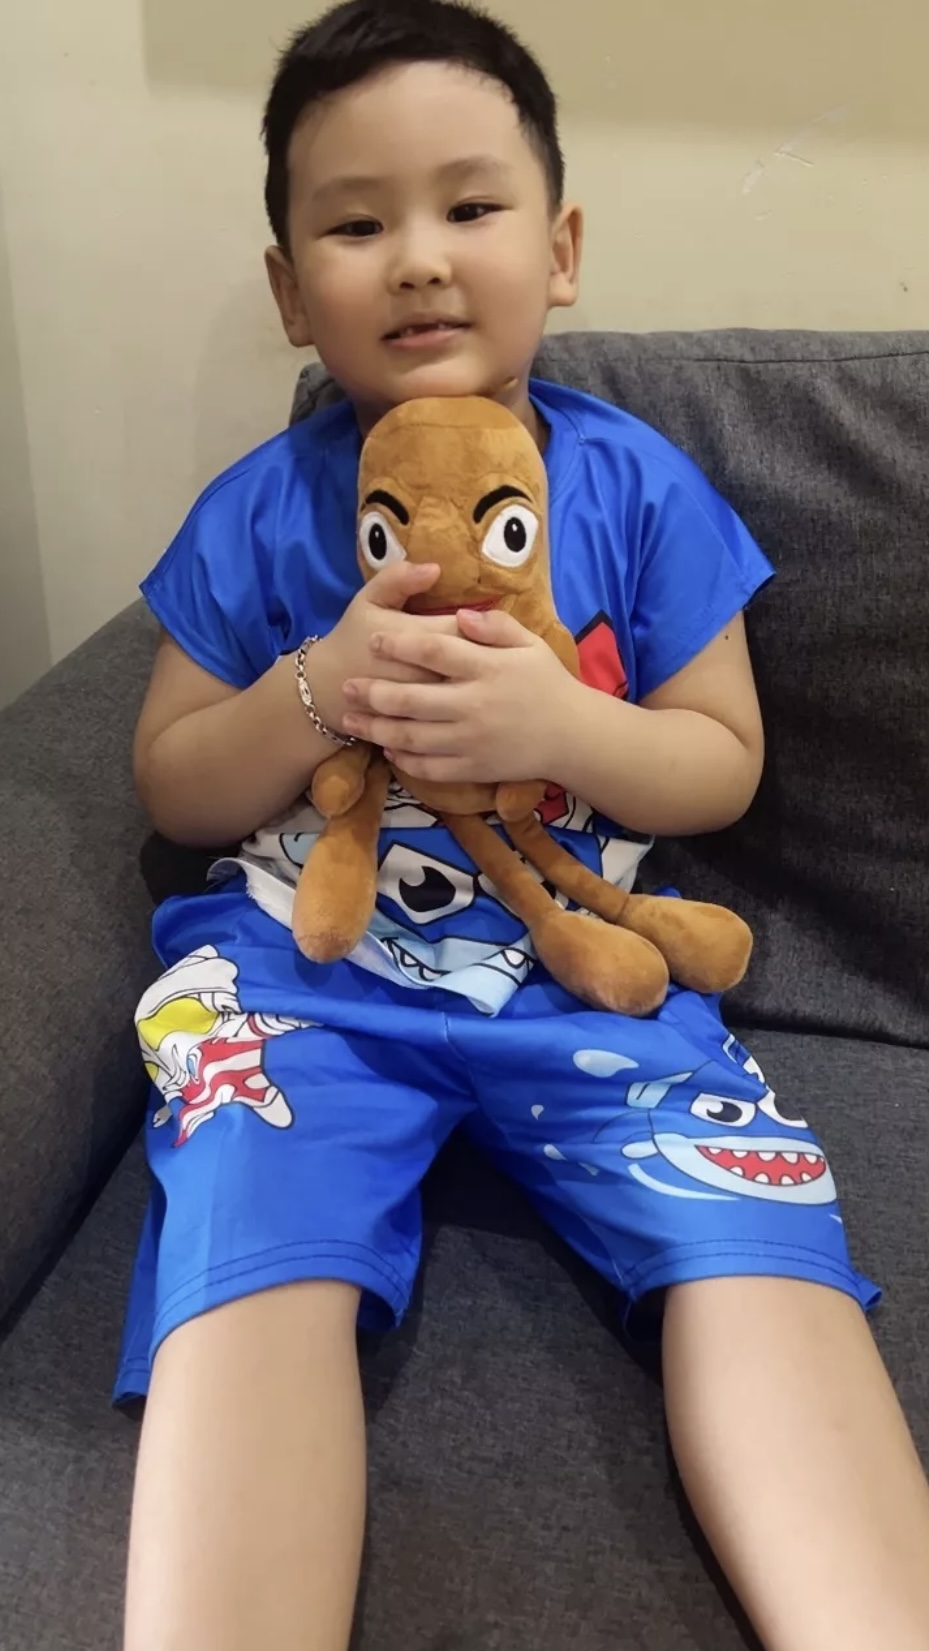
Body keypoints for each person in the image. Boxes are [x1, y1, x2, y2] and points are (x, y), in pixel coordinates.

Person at [118, 4, 929, 1648]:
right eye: (356, 224)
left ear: (557, 253)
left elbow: (719, 763)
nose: (418, 258)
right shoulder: (260, 508)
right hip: (305, 975)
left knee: (750, 1235)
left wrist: (563, 729)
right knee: (250, 1238)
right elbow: (171, 781)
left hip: (582, 979)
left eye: (469, 207)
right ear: (291, 291)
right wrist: (315, 691)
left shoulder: (638, 487)